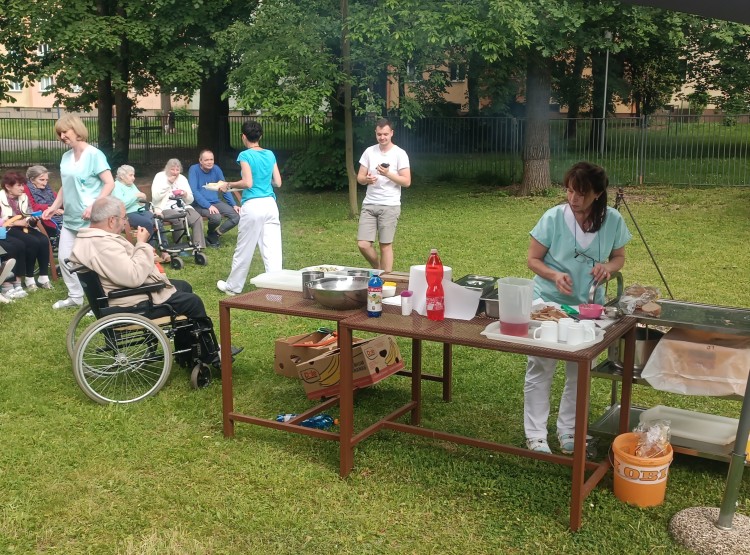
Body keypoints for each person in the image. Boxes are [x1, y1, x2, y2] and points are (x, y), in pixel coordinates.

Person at [524, 162, 632, 455]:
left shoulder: (613, 220)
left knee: (579, 370)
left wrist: (608, 268)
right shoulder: (552, 218)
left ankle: (569, 432)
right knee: (541, 366)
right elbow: (533, 260)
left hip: (589, 308)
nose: (573, 199)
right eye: (570, 190)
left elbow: (619, 256)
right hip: (547, 304)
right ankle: (535, 436)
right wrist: (554, 275)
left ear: (598, 194)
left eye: (581, 193)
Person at [69, 197, 237, 365]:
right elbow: (133, 277)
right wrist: (141, 244)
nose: (125, 222)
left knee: (184, 286)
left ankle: (188, 352)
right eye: (124, 218)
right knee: (192, 302)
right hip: (129, 303)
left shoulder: (88, 239)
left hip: (115, 295)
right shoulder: (104, 245)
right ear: (112, 220)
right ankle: (209, 355)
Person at [42, 114, 115, 309]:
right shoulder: (66, 157)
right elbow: (66, 186)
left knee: (93, 262)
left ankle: (101, 301)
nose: (62, 136)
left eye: (65, 131)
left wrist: (94, 206)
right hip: (71, 217)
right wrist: (54, 207)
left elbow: (109, 182)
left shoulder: (94, 155)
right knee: (65, 258)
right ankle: (75, 296)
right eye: (60, 133)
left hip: (91, 218)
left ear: (76, 129)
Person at [216, 120, 282, 296]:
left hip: (253, 205)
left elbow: (247, 182)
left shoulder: (245, 156)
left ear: (243, 137)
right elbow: (278, 182)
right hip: (270, 204)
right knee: (273, 249)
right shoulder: (270, 154)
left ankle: (233, 286)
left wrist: (227, 184)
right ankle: (275, 287)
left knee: (244, 248)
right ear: (260, 136)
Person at [356, 118, 411, 273]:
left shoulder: (400, 154)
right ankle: (378, 269)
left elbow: (406, 181)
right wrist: (366, 179)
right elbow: (359, 178)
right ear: (376, 133)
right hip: (369, 204)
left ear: (391, 133)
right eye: (379, 134)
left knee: (385, 245)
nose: (382, 137)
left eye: (385, 134)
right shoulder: (369, 151)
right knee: (363, 244)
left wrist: (388, 174)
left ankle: (387, 280)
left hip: (390, 205)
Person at [0, 171, 52, 296]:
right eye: (19, 185)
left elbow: (28, 215)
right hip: (8, 228)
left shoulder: (23, 197)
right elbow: (4, 220)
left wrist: (32, 220)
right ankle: (29, 278)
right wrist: (18, 222)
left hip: (23, 226)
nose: (22, 188)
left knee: (43, 239)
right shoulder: (1, 197)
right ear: (8, 186)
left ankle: (43, 277)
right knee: (31, 242)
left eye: (23, 185)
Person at [188, 150, 240, 247]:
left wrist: (233, 204)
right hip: (198, 204)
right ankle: (210, 233)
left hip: (215, 202)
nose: (209, 162)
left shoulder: (216, 169)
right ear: (200, 161)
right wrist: (208, 206)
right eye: (206, 160)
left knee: (236, 215)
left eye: (211, 159)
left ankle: (214, 234)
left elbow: (224, 187)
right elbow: (194, 191)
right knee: (216, 217)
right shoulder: (194, 169)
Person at [150, 158, 206, 249]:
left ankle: (198, 246)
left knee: (196, 218)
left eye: (177, 170)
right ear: (167, 169)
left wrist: (185, 194)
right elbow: (155, 197)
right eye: (172, 169)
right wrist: (168, 183)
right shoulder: (159, 177)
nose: (175, 172)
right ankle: (178, 246)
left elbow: (190, 200)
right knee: (178, 218)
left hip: (182, 206)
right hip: (163, 208)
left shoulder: (182, 178)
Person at [112, 165, 156, 239]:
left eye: (133, 175)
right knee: (147, 223)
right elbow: (121, 205)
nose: (133, 178)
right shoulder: (116, 186)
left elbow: (140, 199)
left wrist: (143, 198)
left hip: (140, 211)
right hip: (127, 214)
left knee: (157, 220)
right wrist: (136, 196)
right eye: (131, 175)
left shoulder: (131, 185)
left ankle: (163, 246)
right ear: (122, 176)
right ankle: (150, 247)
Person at [25, 165, 63, 240]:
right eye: (42, 180)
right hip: (42, 219)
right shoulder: (26, 188)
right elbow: (32, 207)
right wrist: (51, 209)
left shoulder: (46, 188)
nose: (45, 183)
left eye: (46, 180)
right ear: (32, 180)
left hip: (54, 215)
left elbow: (58, 200)